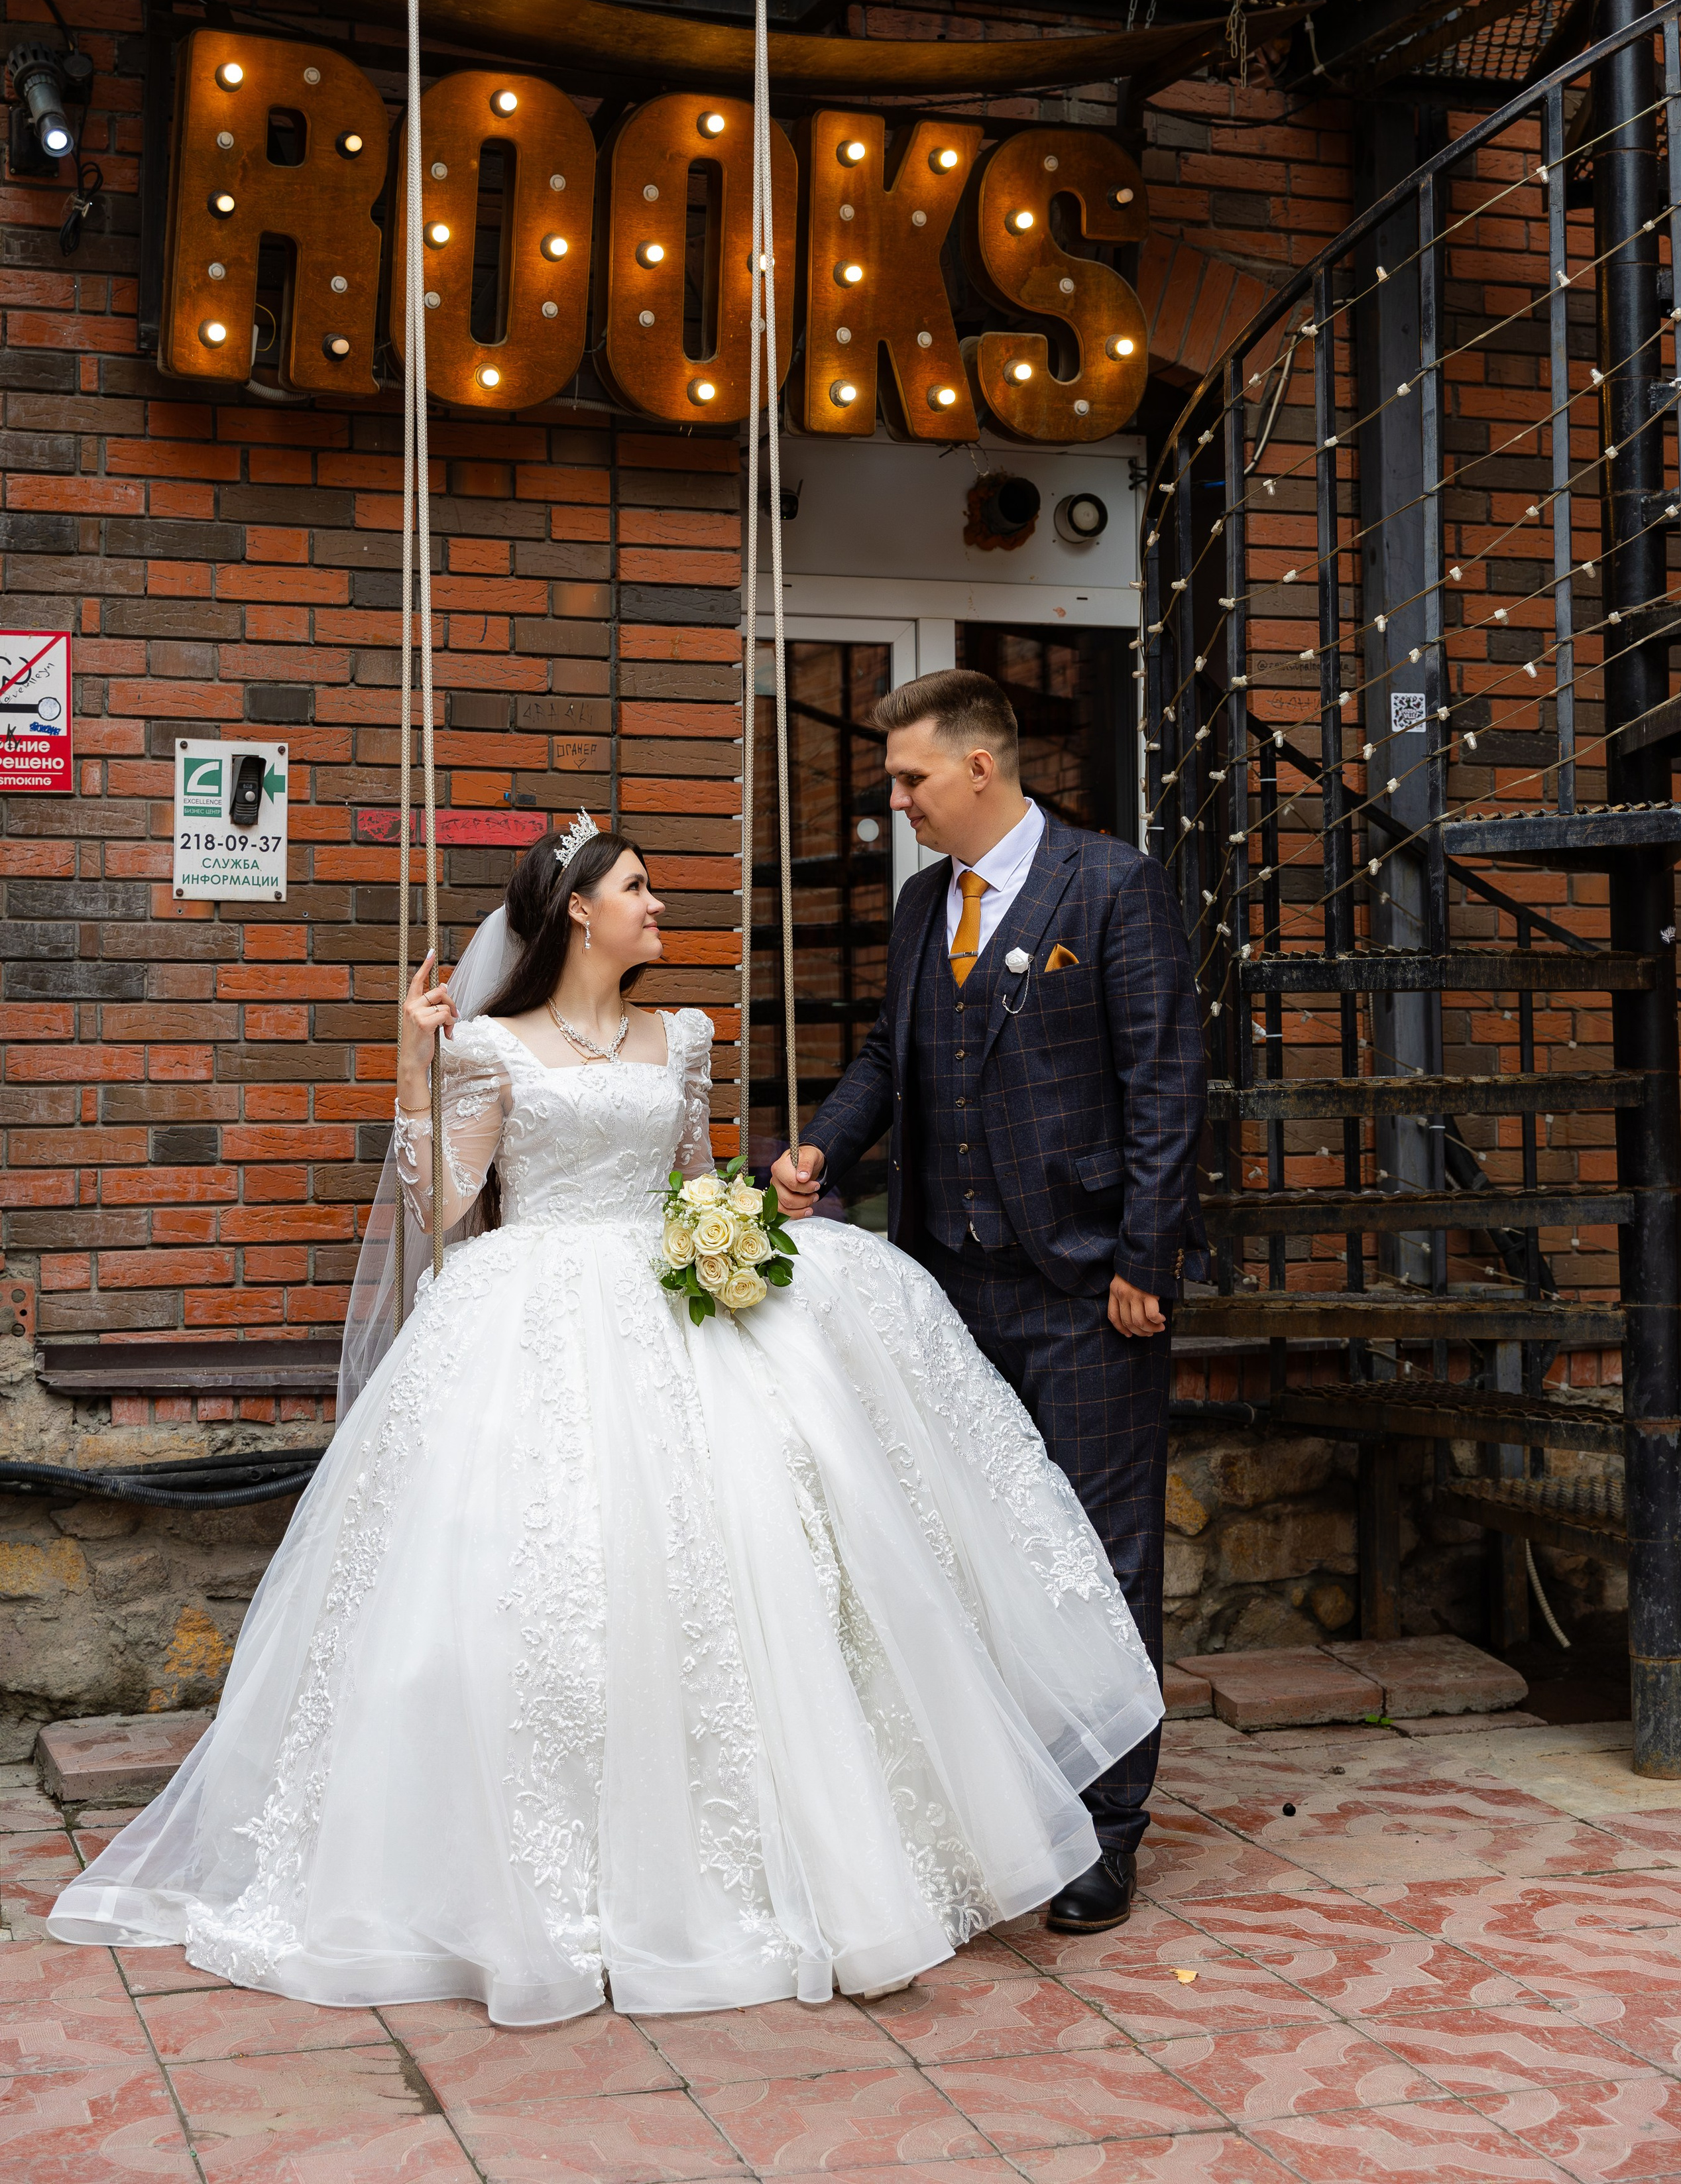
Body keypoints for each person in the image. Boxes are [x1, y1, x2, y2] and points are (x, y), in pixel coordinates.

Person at [50, 811, 1162, 2026]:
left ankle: (790, 1849)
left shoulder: (678, 1038)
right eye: (640, 887)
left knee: (742, 1554)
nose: (659, 906)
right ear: (580, 907)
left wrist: (734, 1234)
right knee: (538, 1574)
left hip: (671, 1313)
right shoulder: (488, 1048)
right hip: (527, 1315)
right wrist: (412, 1079)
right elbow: (445, 1210)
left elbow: (692, 1185)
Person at [772, 669, 1207, 1935]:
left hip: (1085, 1290)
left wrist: (1146, 1261)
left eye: (910, 778)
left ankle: (1105, 1831)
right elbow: (886, 1060)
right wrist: (817, 1153)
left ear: (980, 768)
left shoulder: (1111, 887)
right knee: (973, 1544)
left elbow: (1167, 1084)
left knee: (1102, 1553)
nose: (894, 800)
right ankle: (1007, 1801)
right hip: (945, 1289)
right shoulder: (920, 907)